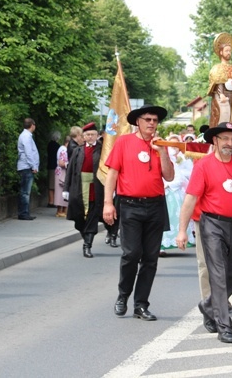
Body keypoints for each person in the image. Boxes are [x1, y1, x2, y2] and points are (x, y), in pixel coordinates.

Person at [176, 122, 232, 343]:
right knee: (219, 275)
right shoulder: (203, 165)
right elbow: (190, 199)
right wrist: (182, 230)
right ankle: (224, 326)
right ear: (215, 140)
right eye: (225, 139)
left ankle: (207, 304)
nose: (230, 144)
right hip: (212, 224)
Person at [103, 105, 174, 321]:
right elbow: (112, 174)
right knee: (131, 253)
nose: (152, 123)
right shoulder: (124, 142)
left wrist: (161, 151)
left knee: (150, 258)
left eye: (155, 120)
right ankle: (123, 295)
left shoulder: (162, 145)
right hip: (130, 205)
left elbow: (169, 176)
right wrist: (108, 203)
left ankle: (141, 304)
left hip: (155, 206)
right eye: (148, 119)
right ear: (138, 122)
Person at [64, 122, 110, 258]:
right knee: (78, 216)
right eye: (88, 135)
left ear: (97, 135)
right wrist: (66, 188)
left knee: (93, 215)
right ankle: (84, 234)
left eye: (93, 134)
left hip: (96, 187)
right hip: (79, 186)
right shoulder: (78, 151)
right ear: (83, 137)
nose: (90, 137)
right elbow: (70, 170)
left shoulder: (102, 150)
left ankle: (87, 245)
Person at [161, 134, 194, 255]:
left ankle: (175, 240)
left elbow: (181, 176)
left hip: (174, 193)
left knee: (173, 218)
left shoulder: (182, 158)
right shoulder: (162, 158)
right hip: (162, 193)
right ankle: (161, 245)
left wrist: (170, 185)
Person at [206, 32, 232, 128]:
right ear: (221, 52)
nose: (229, 53)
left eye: (230, 51)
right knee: (222, 118)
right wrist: (221, 94)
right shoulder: (217, 68)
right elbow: (217, 83)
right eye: (226, 51)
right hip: (222, 97)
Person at [17, 118, 39, 220]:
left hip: (26, 166)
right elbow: (28, 152)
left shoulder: (26, 136)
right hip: (26, 166)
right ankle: (23, 213)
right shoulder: (26, 136)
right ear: (32, 125)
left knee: (25, 191)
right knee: (25, 192)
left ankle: (24, 212)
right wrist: (33, 166)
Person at [54, 135, 70, 218]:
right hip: (62, 172)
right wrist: (69, 164)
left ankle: (62, 210)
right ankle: (60, 210)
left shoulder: (61, 148)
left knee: (60, 191)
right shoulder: (64, 150)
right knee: (61, 191)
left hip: (59, 172)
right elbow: (61, 163)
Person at [47, 131, 61, 208]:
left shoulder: (49, 144)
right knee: (54, 185)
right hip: (55, 166)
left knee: (50, 185)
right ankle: (52, 202)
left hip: (50, 166)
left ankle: (50, 201)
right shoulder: (57, 146)